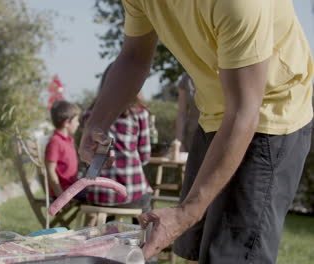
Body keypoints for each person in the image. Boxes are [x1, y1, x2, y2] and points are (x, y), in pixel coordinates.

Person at [79, 1, 313, 263]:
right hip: (214, 111)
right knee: (191, 249)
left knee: (228, 256)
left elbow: (245, 112)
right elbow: (134, 57)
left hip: (269, 117)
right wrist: (96, 122)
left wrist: (186, 213)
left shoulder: (239, 4)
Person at [83, 63, 152, 225]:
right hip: (131, 193)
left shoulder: (89, 116)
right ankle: (141, 243)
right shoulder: (139, 114)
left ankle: (107, 234)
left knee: (110, 204)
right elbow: (145, 156)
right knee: (145, 196)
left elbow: (85, 154)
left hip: (98, 194)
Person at [45, 100, 84, 200]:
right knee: (97, 195)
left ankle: (94, 216)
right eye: (76, 120)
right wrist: (61, 196)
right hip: (65, 191)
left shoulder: (68, 141)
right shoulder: (55, 142)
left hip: (72, 187)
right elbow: (50, 170)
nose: (78, 124)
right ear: (67, 123)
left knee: (96, 191)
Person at [175, 72, 199, 153]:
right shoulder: (187, 78)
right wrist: (179, 142)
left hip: (217, 135)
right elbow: (182, 113)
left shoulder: (222, 70)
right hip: (192, 137)